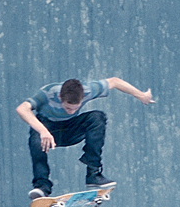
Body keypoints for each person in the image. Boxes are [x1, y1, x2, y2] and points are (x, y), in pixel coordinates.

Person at [16, 76, 154, 198]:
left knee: (97, 117)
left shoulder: (88, 90)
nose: (72, 111)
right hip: (48, 131)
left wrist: (141, 95)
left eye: (76, 108)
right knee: (36, 137)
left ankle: (93, 174)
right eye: (68, 108)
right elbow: (22, 109)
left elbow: (114, 82)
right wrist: (43, 131)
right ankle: (42, 186)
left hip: (71, 129)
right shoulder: (48, 93)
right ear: (60, 98)